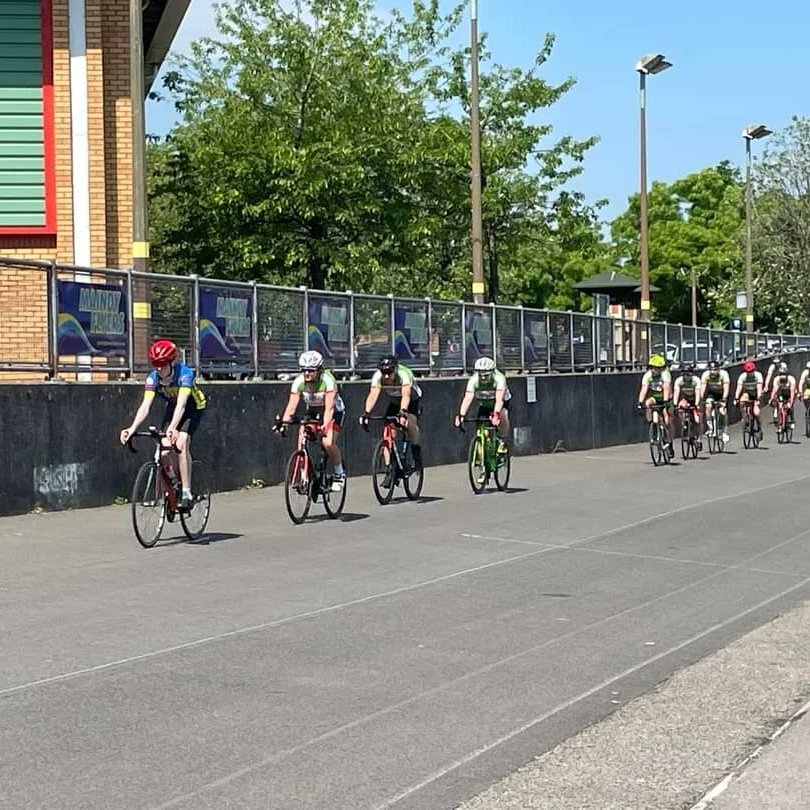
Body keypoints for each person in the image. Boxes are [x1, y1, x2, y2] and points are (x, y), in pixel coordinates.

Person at [119, 339, 206, 510]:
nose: (159, 368)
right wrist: (132, 428)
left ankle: (187, 492)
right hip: (173, 407)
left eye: (162, 364)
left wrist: (173, 428)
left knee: (180, 443)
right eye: (155, 364)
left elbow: (182, 404)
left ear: (171, 362)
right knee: (162, 449)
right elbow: (145, 406)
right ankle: (174, 483)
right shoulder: (153, 379)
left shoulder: (185, 374)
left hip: (192, 407)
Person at [276, 350, 346, 491]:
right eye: (304, 370)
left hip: (333, 411)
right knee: (302, 437)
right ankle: (304, 476)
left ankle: (339, 473)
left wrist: (325, 428)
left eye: (311, 370)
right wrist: (283, 424)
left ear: (319, 370)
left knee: (327, 442)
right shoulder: (299, 382)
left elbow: (329, 409)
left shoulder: (328, 381)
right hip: (314, 410)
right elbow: (291, 406)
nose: (307, 373)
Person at [360, 355, 423, 469]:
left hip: (411, 400)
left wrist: (403, 412)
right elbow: (373, 395)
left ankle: (416, 453)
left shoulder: (404, 374)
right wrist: (366, 413)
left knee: (409, 424)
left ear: (396, 369)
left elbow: (406, 395)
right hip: (394, 401)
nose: (387, 375)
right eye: (384, 372)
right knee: (388, 432)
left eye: (390, 372)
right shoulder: (378, 377)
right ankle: (390, 467)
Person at [453, 357, 511, 452]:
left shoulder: (499, 379)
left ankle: (502, 441)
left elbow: (499, 399)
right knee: (482, 428)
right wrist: (461, 415)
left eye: (486, 375)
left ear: (492, 373)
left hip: (500, 403)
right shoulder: (473, 380)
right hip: (485, 404)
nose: (483, 378)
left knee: (503, 415)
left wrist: (496, 414)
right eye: (481, 375)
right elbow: (467, 398)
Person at [637, 354, 674, 458]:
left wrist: (666, 402)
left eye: (656, 368)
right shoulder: (647, 375)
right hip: (655, 397)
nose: (653, 370)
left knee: (667, 421)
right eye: (651, 367)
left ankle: (670, 443)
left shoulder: (665, 375)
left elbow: (666, 388)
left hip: (666, 398)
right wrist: (640, 403)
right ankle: (651, 424)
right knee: (648, 403)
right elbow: (644, 389)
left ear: (660, 369)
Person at [673, 362, 703, 449]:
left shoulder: (696, 380)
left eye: (688, 374)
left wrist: (697, 405)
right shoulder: (679, 381)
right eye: (684, 374)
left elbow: (698, 394)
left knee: (697, 420)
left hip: (695, 399)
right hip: (685, 399)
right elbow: (676, 393)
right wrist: (675, 405)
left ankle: (699, 439)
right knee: (680, 406)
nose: (686, 376)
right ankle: (684, 424)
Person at [700, 360, 730, 443]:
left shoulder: (723, 374)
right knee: (708, 406)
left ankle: (725, 431)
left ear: (718, 369)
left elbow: (726, 388)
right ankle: (710, 428)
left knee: (722, 412)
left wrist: (724, 399)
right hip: (711, 394)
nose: (713, 372)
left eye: (715, 369)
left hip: (721, 394)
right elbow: (703, 388)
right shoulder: (706, 375)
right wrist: (701, 398)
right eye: (711, 369)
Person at [734, 360, 764, 440]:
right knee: (742, 401)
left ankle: (759, 429)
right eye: (748, 372)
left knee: (756, 413)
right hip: (747, 392)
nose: (749, 373)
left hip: (755, 393)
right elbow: (739, 388)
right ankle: (745, 418)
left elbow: (759, 388)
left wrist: (758, 399)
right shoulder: (743, 376)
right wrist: (736, 398)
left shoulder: (758, 375)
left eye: (751, 371)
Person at [768, 361, 797, 431]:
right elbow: (774, 390)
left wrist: (791, 402)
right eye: (781, 374)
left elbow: (792, 392)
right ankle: (780, 423)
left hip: (790, 393)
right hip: (781, 393)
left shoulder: (791, 379)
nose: (782, 376)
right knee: (780, 405)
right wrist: (771, 399)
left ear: (787, 375)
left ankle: (792, 420)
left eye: (784, 374)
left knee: (790, 406)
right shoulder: (777, 379)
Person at [764, 355, 783, 425]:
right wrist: (766, 385)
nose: (777, 364)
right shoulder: (772, 367)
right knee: (774, 396)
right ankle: (775, 410)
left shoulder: (783, 365)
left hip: (783, 381)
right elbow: (769, 376)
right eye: (775, 363)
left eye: (778, 362)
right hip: (775, 382)